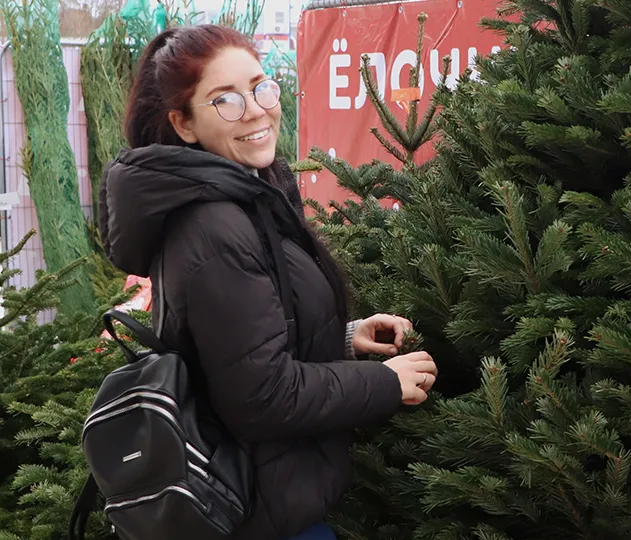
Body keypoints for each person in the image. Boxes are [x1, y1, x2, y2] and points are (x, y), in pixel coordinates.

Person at [97, 24, 438, 540]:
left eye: (260, 87)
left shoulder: (250, 195)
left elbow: (238, 350)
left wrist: (345, 338)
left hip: (275, 500)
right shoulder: (213, 226)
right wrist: (385, 382)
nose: (255, 110)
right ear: (184, 125)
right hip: (253, 514)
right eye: (225, 100)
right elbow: (261, 397)